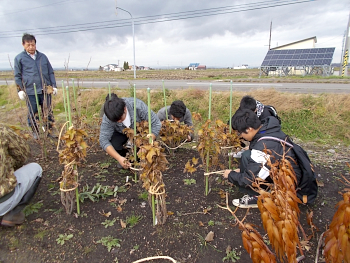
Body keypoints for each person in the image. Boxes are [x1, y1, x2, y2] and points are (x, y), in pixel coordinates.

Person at [222, 109, 301, 208]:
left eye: (240, 133)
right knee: (247, 155)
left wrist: (231, 175)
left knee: (248, 158)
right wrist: (242, 171)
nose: (241, 136)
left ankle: (258, 197)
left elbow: (249, 180)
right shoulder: (268, 128)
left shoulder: (263, 146)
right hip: (290, 172)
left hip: (293, 185)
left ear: (250, 129)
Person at [99, 93, 161, 169]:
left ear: (125, 109)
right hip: (121, 132)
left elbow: (156, 123)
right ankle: (125, 158)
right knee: (114, 144)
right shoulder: (109, 116)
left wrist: (146, 145)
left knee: (145, 148)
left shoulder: (138, 106)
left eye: (121, 119)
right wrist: (119, 158)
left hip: (140, 132)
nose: (119, 122)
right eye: (116, 121)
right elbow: (103, 139)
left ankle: (139, 159)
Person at [14, 33, 58, 140]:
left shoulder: (43, 57)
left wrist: (53, 86)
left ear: (35, 44)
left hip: (45, 90)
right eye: (28, 45)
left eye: (33, 45)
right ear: (23, 45)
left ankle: (49, 130)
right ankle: (35, 131)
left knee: (47, 111)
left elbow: (50, 72)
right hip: (30, 91)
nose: (31, 47)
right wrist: (20, 90)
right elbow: (17, 76)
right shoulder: (19, 58)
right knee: (33, 112)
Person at [0, 124, 42, 227]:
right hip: (3, 202)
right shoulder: (2, 131)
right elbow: (22, 153)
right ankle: (13, 215)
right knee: (36, 168)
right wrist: (10, 165)